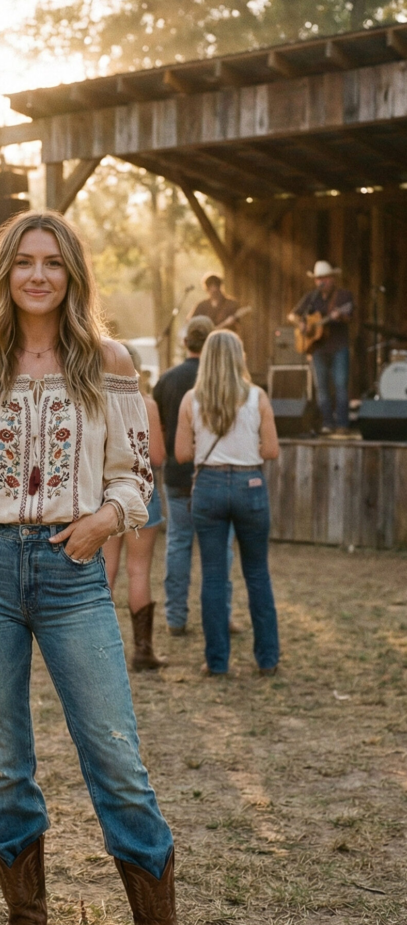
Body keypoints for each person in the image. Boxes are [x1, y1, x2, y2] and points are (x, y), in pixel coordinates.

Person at [0, 211, 208, 925]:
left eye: (52, 262)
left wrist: (101, 523)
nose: (38, 275)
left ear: (73, 274)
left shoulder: (107, 362)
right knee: (4, 760)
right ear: (3, 274)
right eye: (24, 262)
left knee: (115, 757)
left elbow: (136, 475)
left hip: (70, 570)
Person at [175, 330, 280, 676]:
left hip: (209, 485)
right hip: (250, 485)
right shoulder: (257, 397)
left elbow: (182, 454)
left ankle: (217, 662)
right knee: (257, 574)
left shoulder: (192, 399)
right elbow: (270, 451)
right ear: (240, 358)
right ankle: (267, 660)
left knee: (213, 577)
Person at [154, 316, 237, 636]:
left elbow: (159, 427)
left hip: (177, 475)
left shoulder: (168, 380)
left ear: (185, 342)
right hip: (215, 474)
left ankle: (176, 618)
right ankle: (222, 615)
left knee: (178, 546)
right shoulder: (222, 381)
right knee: (220, 551)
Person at [104, 344, 168, 671]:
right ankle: (143, 650)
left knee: (104, 571)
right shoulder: (147, 404)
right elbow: (156, 458)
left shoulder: (97, 400)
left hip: (105, 497)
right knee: (139, 571)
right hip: (142, 494)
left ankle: (99, 650)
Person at [288, 260, 354, 434]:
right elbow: (293, 315)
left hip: (339, 347)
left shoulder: (343, 296)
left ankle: (342, 425)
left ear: (332, 278)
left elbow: (349, 316)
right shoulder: (312, 297)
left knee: (340, 385)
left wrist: (339, 316)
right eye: (318, 279)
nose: (321, 282)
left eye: (324, 278)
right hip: (317, 349)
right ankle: (327, 423)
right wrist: (302, 325)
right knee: (321, 387)